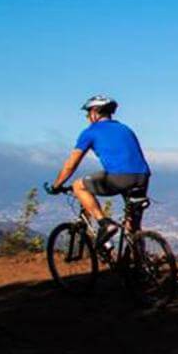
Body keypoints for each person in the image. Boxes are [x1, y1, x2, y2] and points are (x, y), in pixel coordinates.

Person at [49, 95, 152, 246]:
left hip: (119, 177)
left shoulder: (90, 132)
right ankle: (139, 264)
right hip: (142, 176)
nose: (87, 117)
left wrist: (56, 185)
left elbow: (71, 164)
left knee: (78, 186)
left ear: (95, 112)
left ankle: (104, 223)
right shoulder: (125, 129)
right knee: (133, 227)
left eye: (88, 113)